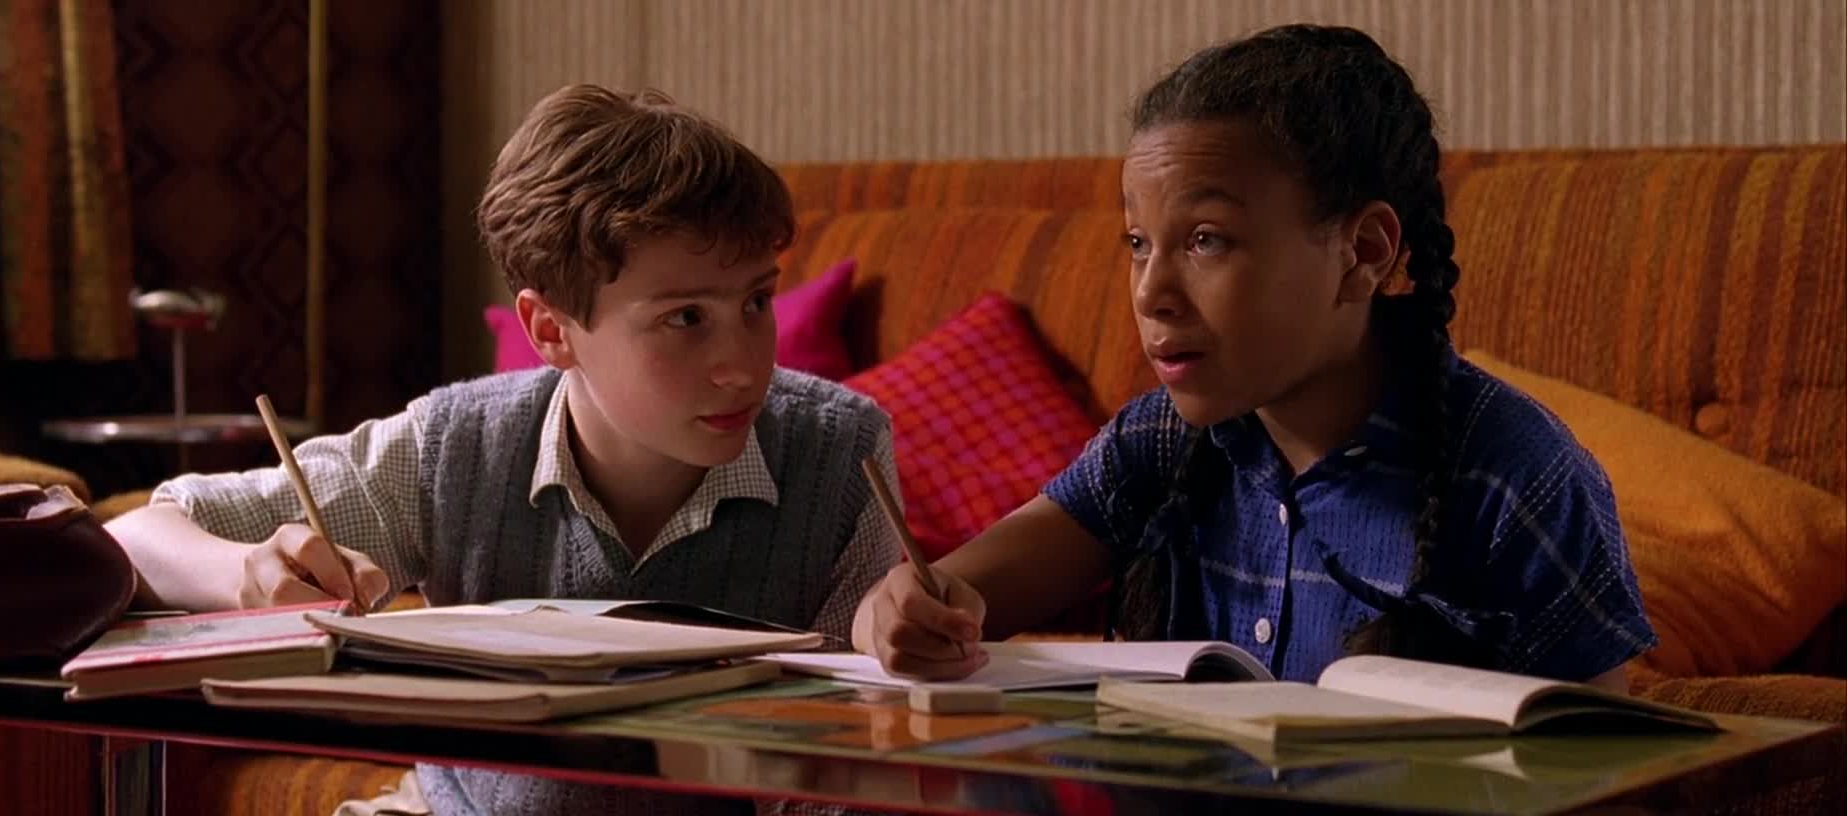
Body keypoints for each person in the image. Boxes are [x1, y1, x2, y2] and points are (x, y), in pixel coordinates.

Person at [108, 84, 901, 816]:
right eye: (686, 318)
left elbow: (845, 767)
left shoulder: (841, 453)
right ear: (551, 330)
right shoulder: (453, 449)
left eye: (757, 301)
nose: (742, 364)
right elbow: (138, 535)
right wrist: (243, 573)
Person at [852, 24, 1655, 692]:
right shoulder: (1158, 442)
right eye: (1138, 243)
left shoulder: (1516, 476)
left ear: (1363, 252)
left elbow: (1607, 771)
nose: (1151, 293)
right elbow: (937, 595)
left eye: (1207, 240)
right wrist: (896, 615)